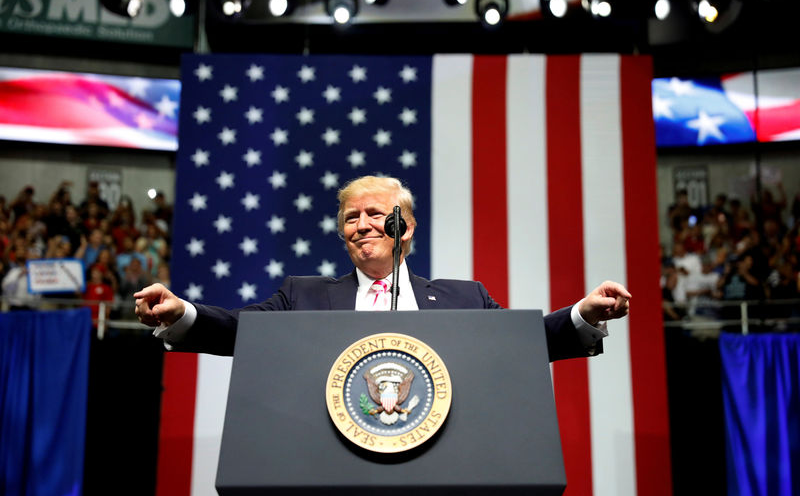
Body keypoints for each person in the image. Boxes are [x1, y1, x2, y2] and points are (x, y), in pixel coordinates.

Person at [134, 176, 631, 361]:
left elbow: (520, 343)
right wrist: (182, 313)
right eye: (352, 217)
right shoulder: (301, 296)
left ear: (406, 227)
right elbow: (243, 332)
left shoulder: (465, 298)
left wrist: (582, 315)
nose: (363, 225)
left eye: (376, 214)